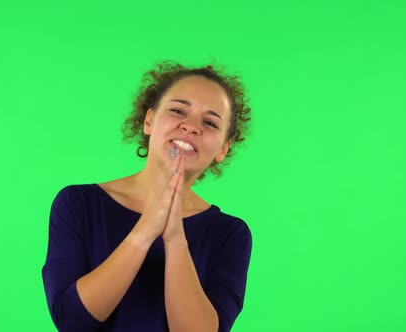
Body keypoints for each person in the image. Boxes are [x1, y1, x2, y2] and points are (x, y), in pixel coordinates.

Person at [41, 60, 253, 332]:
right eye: (178, 110)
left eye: (210, 122)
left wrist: (175, 236)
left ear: (223, 148)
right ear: (149, 120)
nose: (190, 127)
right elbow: (71, 322)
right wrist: (145, 229)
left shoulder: (230, 234)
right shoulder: (78, 204)